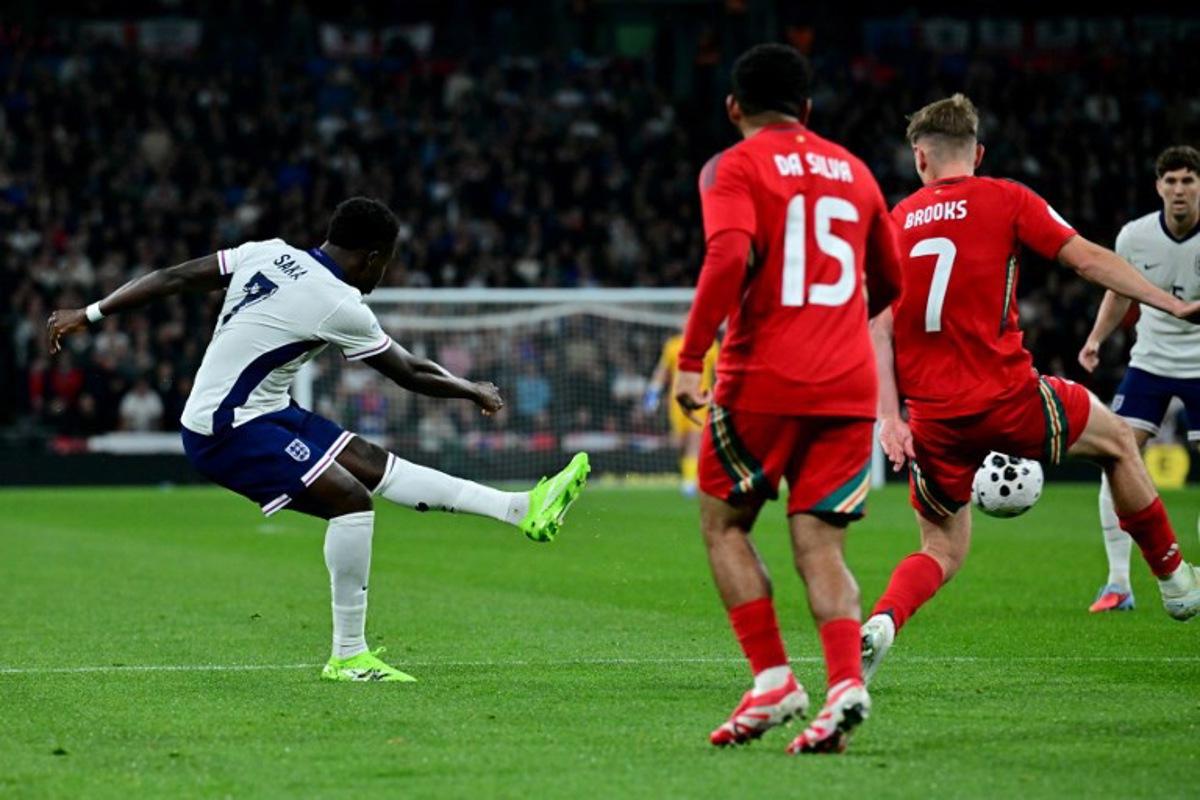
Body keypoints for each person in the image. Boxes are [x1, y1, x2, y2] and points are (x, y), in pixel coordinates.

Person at [47, 197, 591, 683]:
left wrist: (88, 313)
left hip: (264, 410)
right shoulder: (337, 302)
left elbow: (171, 277)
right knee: (351, 500)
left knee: (371, 463)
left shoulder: (266, 251)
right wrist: (472, 390)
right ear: (374, 256)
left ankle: (520, 509)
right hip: (227, 429)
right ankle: (348, 655)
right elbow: (408, 372)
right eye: (388, 260)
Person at [863, 95, 1200, 684]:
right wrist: (1169, 302)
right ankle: (1174, 580)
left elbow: (878, 326)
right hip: (1007, 397)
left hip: (934, 419)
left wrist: (889, 419)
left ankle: (886, 618)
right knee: (1119, 442)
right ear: (979, 153)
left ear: (920, 158)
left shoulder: (894, 221)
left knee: (941, 549)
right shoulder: (1006, 197)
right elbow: (1089, 261)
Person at [674, 43, 903, 754]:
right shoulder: (857, 172)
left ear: (733, 107)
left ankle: (773, 677)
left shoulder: (733, 165)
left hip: (764, 380)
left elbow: (727, 255)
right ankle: (843, 686)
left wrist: (689, 358)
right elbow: (890, 281)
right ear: (807, 108)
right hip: (848, 385)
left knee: (724, 523)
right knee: (821, 544)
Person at [1077, 145, 1200, 613]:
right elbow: (1117, 292)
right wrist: (1094, 340)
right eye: (1170, 181)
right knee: (1115, 451)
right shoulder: (1135, 236)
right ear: (1158, 187)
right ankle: (1118, 583)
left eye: (1188, 180)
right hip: (1149, 360)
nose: (1179, 190)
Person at [642, 330, 717, 496]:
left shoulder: (711, 345)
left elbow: (719, 370)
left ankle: (690, 482)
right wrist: (653, 391)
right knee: (679, 443)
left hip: (700, 400)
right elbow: (663, 370)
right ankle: (689, 475)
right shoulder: (673, 345)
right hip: (676, 402)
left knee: (694, 438)